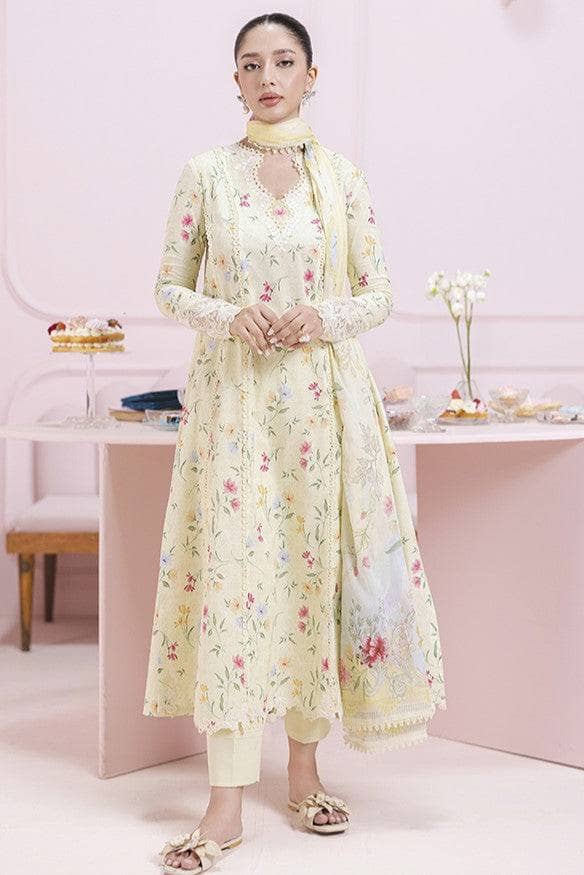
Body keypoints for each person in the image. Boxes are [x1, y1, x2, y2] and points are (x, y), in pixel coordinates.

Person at [143, 12, 446, 873]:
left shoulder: (340, 178)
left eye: (284, 62)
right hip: (235, 407)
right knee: (234, 586)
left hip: (321, 408)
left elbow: (377, 293)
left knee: (314, 579)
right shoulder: (206, 174)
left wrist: (320, 315)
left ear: (312, 75)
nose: (267, 77)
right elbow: (168, 285)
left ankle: (306, 773)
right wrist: (228, 313)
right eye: (251, 64)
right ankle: (225, 803)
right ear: (234, 79)